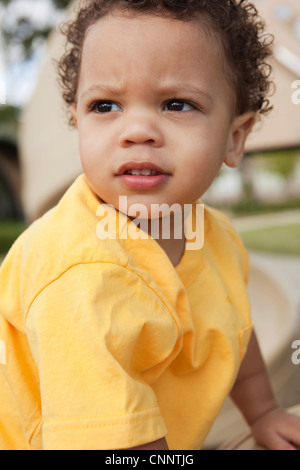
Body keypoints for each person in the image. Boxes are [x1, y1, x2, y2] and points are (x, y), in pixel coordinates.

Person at [0, 0, 300, 451]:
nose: (137, 130)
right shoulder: (78, 274)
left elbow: (234, 330)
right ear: (76, 121)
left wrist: (263, 411)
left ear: (234, 138)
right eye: (105, 106)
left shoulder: (217, 237)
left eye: (176, 103)